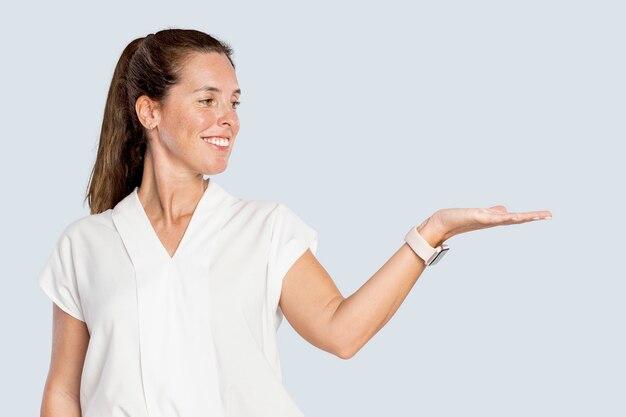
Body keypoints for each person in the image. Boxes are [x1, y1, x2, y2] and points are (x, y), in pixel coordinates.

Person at [37, 28, 552, 417]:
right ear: (149, 112)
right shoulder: (86, 244)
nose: (229, 119)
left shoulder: (265, 228)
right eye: (207, 100)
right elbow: (63, 389)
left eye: (234, 103)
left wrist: (433, 231)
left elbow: (340, 332)